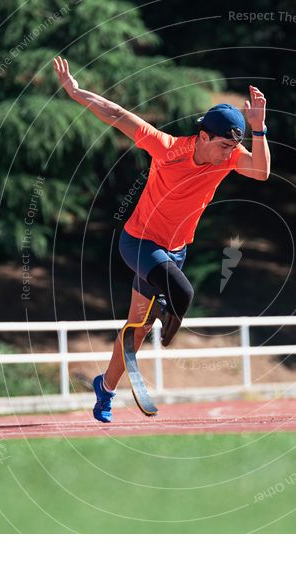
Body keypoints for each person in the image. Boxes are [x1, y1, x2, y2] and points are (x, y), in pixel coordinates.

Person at [53, 56, 270, 422]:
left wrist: (260, 129)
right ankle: (168, 308)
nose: (229, 153)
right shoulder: (168, 149)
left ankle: (104, 389)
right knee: (182, 292)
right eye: (222, 146)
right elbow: (116, 113)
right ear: (202, 136)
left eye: (233, 148)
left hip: (175, 251)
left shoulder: (228, 159)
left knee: (135, 334)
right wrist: (76, 93)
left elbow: (262, 172)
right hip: (139, 243)